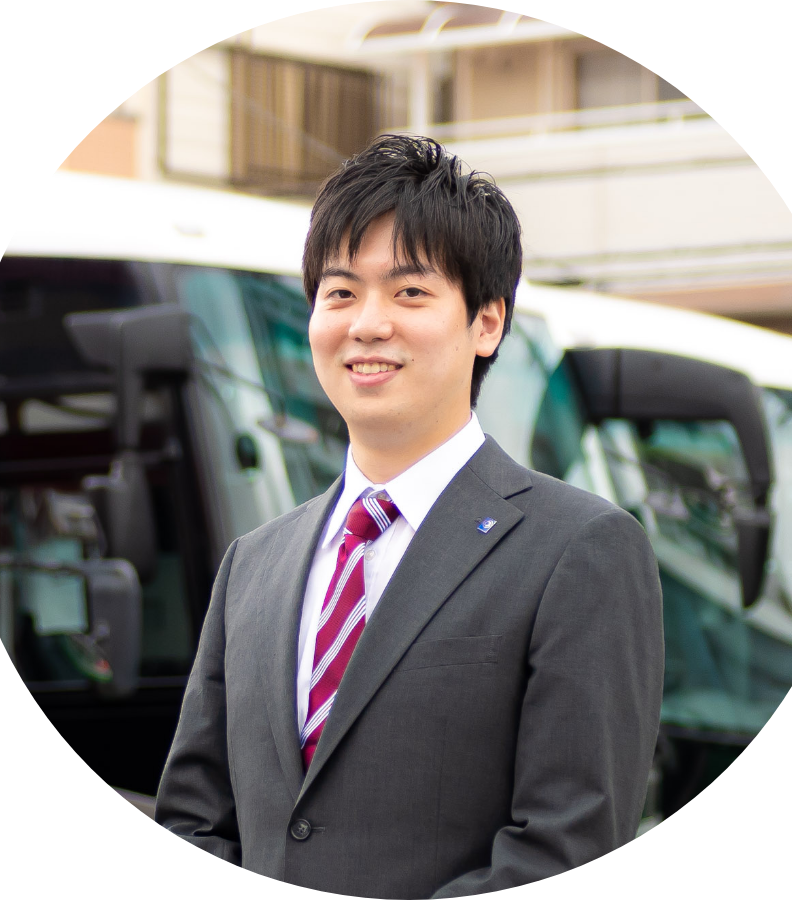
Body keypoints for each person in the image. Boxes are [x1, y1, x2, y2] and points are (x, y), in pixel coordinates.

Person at [155, 135, 664, 897]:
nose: (366, 324)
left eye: (410, 293)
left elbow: (568, 844)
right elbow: (194, 818)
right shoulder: (252, 564)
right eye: (340, 293)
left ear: (487, 322)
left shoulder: (580, 548)